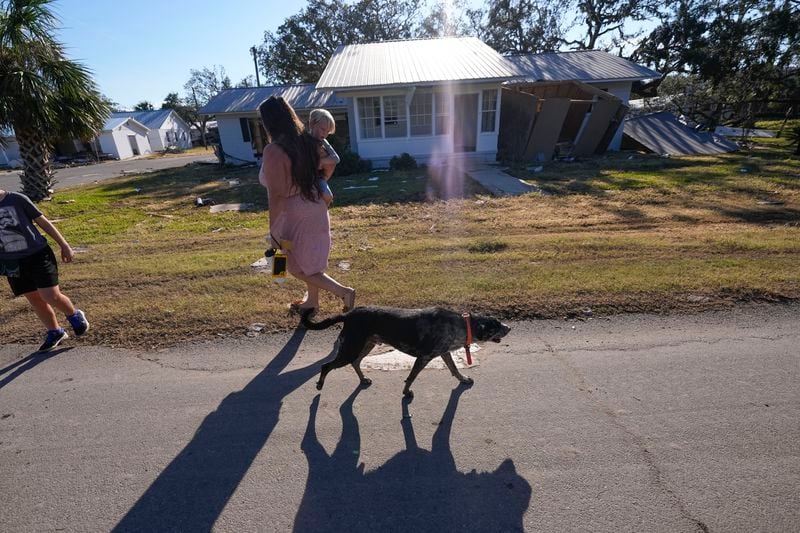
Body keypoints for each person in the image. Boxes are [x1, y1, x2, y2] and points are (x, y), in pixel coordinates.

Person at [257, 96, 355, 315]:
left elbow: (276, 196)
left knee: (294, 266)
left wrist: (273, 232)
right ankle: (312, 302)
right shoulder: (306, 141)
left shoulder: (274, 151)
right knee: (310, 261)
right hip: (315, 208)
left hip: (294, 215)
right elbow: (330, 163)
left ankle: (344, 292)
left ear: (269, 122)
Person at [0, 189, 89, 352]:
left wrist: (64, 245)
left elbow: (43, 222)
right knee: (34, 299)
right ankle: (55, 332)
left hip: (38, 255)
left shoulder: (16, 199)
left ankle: (73, 314)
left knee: (50, 295)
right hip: (11, 262)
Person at [307, 109, 340, 207]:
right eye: (322, 129)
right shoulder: (303, 140)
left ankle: (322, 211)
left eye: (328, 132)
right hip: (305, 177)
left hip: (318, 177)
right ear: (312, 124)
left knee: (328, 196)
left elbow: (336, 158)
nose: (325, 134)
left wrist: (321, 161)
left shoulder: (323, 142)